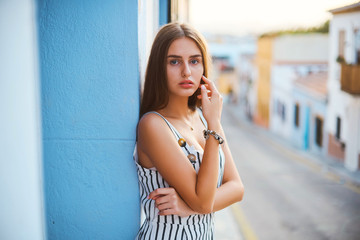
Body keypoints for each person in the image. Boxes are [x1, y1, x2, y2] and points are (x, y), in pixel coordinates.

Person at [134, 22, 244, 239]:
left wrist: (188, 207)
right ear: (159, 68)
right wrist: (199, 205)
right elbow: (203, 201)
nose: (186, 71)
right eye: (174, 62)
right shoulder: (153, 125)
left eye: (194, 61)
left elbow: (237, 188)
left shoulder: (205, 118)